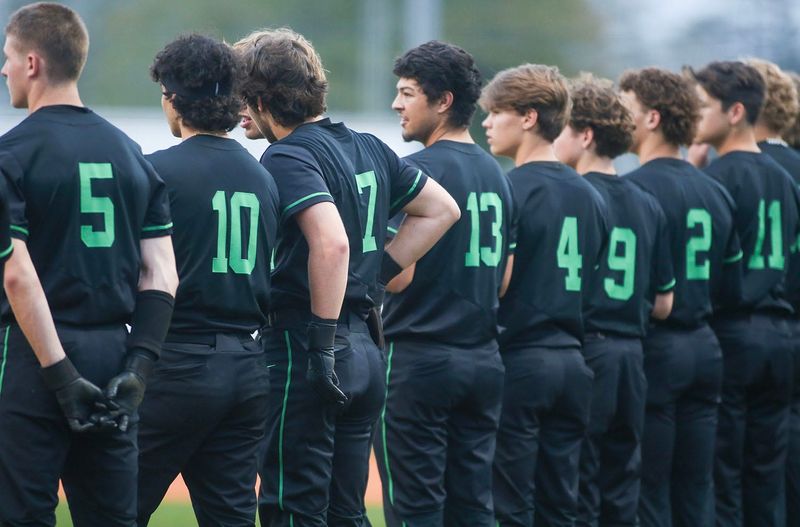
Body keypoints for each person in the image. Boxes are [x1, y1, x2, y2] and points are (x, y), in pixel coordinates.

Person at [238, 28, 460, 527]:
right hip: (366, 348)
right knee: (346, 511)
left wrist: (321, 341)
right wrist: (374, 277)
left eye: (242, 96)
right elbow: (442, 210)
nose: (238, 110)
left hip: (308, 345)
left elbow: (332, 243)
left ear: (263, 95)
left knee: (291, 506)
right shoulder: (368, 146)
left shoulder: (287, 154)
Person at [0, 3, 179, 526]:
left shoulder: (10, 155)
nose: (3, 69)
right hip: (114, 353)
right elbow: (161, 275)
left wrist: (59, 377)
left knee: (23, 513)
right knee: (110, 516)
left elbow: (16, 273)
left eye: (7, 57)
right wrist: (139, 369)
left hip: (34, 357)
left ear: (32, 63)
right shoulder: (132, 154)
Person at [135, 34, 280, 527]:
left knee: (113, 504)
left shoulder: (156, 171)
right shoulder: (263, 176)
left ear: (174, 99)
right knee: (231, 516)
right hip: (247, 365)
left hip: (178, 360)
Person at [374, 41, 515, 527]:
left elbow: (399, 277)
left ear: (444, 101)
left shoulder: (417, 173)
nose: (397, 104)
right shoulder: (499, 175)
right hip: (483, 361)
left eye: (408, 93)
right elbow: (503, 282)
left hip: (419, 360)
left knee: (416, 509)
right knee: (474, 507)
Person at [481, 63, 608, 526]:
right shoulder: (592, 194)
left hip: (521, 360)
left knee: (510, 505)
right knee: (561, 506)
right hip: (575, 363)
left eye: (497, 112)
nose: (488, 123)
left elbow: (499, 281)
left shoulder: (508, 188)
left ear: (530, 117)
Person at [618, 67, 742, 527]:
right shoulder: (714, 190)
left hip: (658, 348)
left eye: (626, 107)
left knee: (650, 486)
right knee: (696, 487)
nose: (618, 115)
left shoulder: (633, 191)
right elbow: (729, 282)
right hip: (706, 347)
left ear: (652, 118)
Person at [553, 74, 675, 527]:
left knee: (578, 483)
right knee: (622, 485)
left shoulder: (573, 196)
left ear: (584, 135)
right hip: (633, 356)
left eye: (563, 128)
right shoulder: (646, 201)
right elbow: (663, 303)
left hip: (588, 350)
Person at [689, 60, 800, 527]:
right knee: (767, 475)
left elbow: (710, 267)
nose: (694, 117)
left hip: (734, 332)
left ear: (735, 111)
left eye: (702, 106)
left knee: (725, 473)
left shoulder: (719, 178)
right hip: (782, 335)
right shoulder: (785, 176)